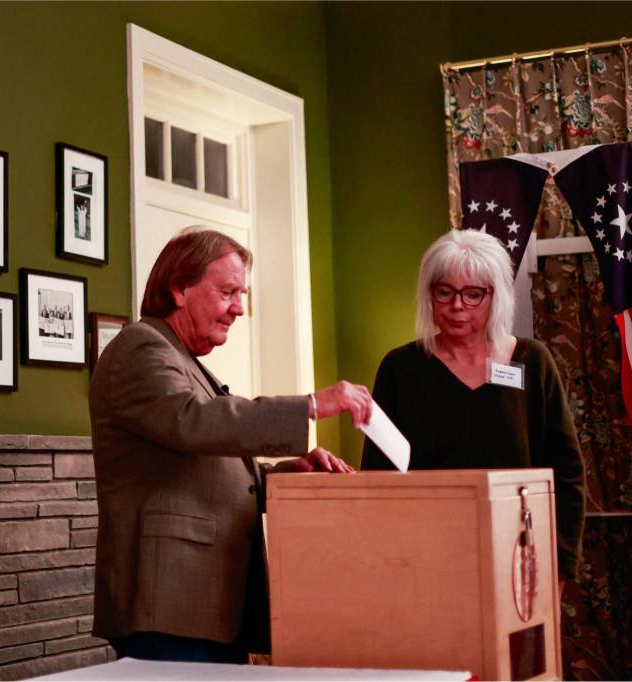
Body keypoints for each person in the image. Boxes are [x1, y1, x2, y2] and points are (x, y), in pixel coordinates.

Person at [90, 227, 372, 664]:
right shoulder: (140, 347)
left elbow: (207, 466)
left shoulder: (182, 358)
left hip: (208, 604)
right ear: (179, 288)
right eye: (227, 292)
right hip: (168, 606)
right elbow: (194, 422)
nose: (239, 308)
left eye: (242, 294)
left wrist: (282, 477)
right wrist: (313, 405)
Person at [361, 229, 586, 586]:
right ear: (429, 295)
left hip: (520, 554)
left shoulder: (532, 362)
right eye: (444, 292)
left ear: (495, 297)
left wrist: (560, 563)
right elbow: (378, 476)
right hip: (426, 559)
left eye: (473, 294)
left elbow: (567, 470)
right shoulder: (400, 368)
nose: (456, 306)